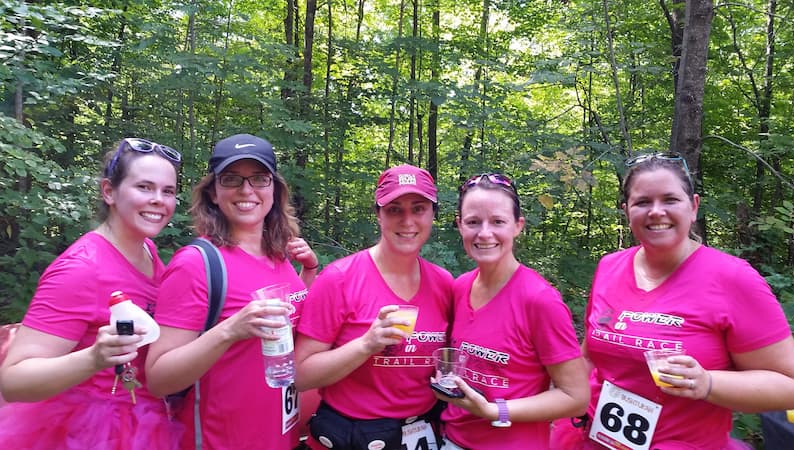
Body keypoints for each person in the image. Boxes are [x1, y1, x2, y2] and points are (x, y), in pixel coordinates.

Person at [551, 152, 794, 449]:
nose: (656, 211)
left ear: (693, 207)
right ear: (626, 210)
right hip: (590, 438)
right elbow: (589, 357)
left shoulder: (732, 279)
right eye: (643, 202)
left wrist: (707, 383)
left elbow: (793, 386)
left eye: (670, 200)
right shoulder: (609, 267)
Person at [0, 138, 183, 449]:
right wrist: (93, 357)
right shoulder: (80, 269)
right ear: (109, 192)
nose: (158, 200)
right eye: (144, 187)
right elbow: (14, 381)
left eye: (167, 191)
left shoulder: (147, 250)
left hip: (144, 414)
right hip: (85, 430)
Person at [145, 133, 319, 450]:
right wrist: (230, 329)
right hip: (220, 440)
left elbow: (290, 326)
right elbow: (158, 379)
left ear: (274, 189)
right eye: (232, 179)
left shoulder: (278, 255)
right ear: (213, 192)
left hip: (281, 437)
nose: (246, 190)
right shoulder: (196, 264)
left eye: (259, 179)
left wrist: (309, 274)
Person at [294, 164, 454, 450]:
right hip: (351, 437)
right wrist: (365, 345)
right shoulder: (339, 279)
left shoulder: (443, 284)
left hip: (423, 435)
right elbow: (301, 375)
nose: (407, 221)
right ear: (378, 215)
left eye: (418, 208)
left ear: (432, 215)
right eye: (394, 209)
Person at [433, 173, 588, 449]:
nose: (484, 233)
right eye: (472, 222)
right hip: (452, 440)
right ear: (459, 226)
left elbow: (575, 397)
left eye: (498, 222)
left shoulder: (540, 301)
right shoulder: (459, 288)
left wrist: (495, 411)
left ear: (518, 226)